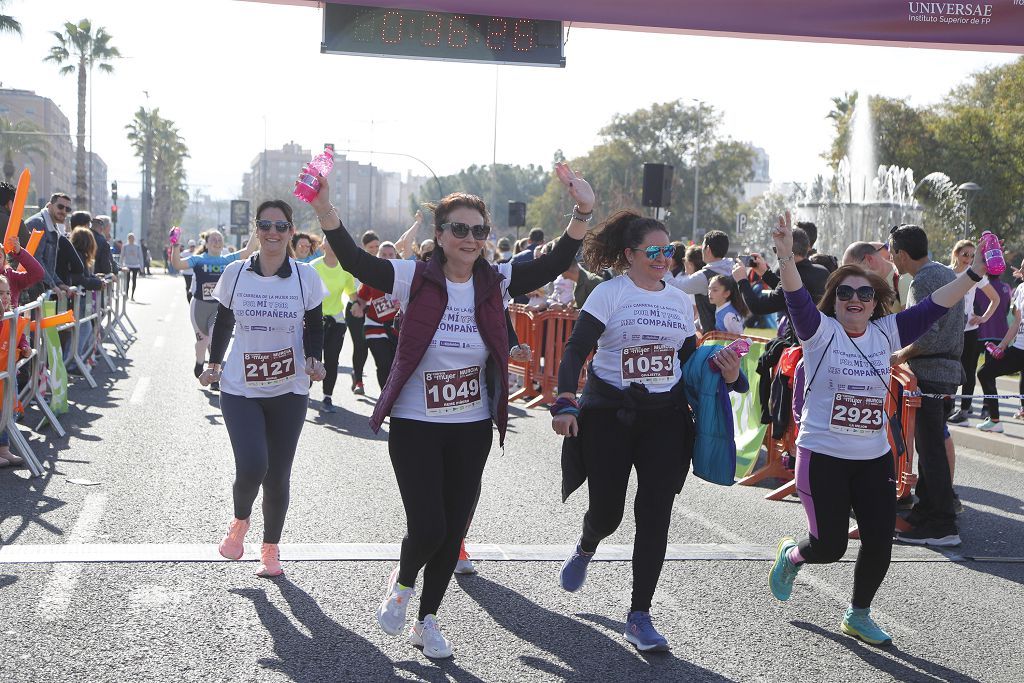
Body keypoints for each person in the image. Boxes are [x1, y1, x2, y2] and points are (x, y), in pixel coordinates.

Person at [313, 162, 594, 659]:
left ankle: (429, 620)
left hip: (471, 425)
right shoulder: (412, 276)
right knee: (429, 526)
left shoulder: (495, 279)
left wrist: (582, 211)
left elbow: (552, 262)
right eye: (459, 229)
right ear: (440, 235)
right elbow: (356, 261)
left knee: (455, 526)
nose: (470, 238)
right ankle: (401, 587)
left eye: (478, 230)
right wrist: (323, 209)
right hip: (417, 422)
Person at [767, 212, 985, 646]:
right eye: (845, 292)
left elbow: (937, 304)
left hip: (872, 456)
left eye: (865, 293)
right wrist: (785, 255)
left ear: (875, 301)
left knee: (880, 539)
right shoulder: (819, 331)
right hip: (823, 454)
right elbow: (794, 295)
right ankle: (793, 555)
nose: (855, 299)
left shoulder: (888, 331)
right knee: (829, 546)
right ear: (834, 300)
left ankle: (858, 613)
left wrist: (973, 274)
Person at [551, 210, 746, 653]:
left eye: (670, 251)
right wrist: (564, 400)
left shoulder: (679, 300)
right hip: (610, 415)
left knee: (655, 515)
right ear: (629, 254)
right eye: (654, 251)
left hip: (664, 418)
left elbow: (691, 362)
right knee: (608, 514)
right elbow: (576, 348)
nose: (664, 259)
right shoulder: (608, 293)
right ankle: (587, 544)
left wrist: (729, 373)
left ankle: (640, 615)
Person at [201, 199, 328, 578]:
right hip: (240, 386)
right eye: (266, 225)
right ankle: (240, 521)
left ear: (292, 231)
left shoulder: (305, 277)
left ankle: (270, 549)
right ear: (256, 230)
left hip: (290, 387)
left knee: (277, 475)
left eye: (281, 226)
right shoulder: (237, 273)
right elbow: (223, 323)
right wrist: (213, 364)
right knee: (254, 464)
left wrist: (314, 359)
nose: (273, 232)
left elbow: (315, 325)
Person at [884, 225, 966, 547]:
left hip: (931, 373)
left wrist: (897, 356)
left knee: (930, 451)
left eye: (892, 253)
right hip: (947, 372)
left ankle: (942, 526)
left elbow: (926, 334)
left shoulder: (922, 279)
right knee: (931, 447)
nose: (892, 260)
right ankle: (927, 512)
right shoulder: (945, 273)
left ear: (902, 254)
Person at [171, 229, 258, 381]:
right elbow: (177, 264)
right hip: (199, 306)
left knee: (213, 337)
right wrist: (175, 245)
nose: (217, 242)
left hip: (218, 308)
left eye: (219, 240)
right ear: (206, 243)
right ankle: (199, 362)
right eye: (213, 240)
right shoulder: (198, 260)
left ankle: (213, 373)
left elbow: (249, 250)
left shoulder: (227, 260)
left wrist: (257, 228)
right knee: (202, 341)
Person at [732, 227, 830, 326]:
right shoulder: (823, 271)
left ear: (786, 251)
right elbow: (788, 293)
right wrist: (765, 273)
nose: (776, 254)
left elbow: (757, 307)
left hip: (803, 339)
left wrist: (742, 280)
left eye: (776, 249)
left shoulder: (792, 278)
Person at [946, 240, 999, 424]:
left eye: (971, 255)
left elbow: (995, 299)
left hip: (969, 331)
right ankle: (948, 406)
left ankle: (965, 410)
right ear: (956, 254)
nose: (968, 259)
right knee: (950, 368)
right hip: (949, 330)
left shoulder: (977, 275)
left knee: (968, 371)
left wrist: (983, 318)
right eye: (964, 254)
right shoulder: (947, 273)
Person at [976, 260, 1024, 431]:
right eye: (1023, 266)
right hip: (1019, 348)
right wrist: (1002, 346)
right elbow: (1016, 323)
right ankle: (995, 420)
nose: (1022, 269)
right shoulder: (1020, 290)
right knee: (984, 373)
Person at [311, 236, 356, 413]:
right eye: (328, 240)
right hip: (314, 321)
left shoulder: (346, 270)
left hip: (336, 321)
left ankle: (327, 397)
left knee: (331, 360)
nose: (333, 243)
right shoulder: (313, 267)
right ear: (322, 245)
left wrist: (360, 304)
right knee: (311, 358)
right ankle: (302, 391)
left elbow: (352, 295)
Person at [666, 230, 735, 332]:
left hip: (714, 337)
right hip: (733, 331)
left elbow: (675, 286)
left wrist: (663, 265)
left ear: (707, 249)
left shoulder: (704, 276)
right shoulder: (734, 269)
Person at [355, 241, 401, 391]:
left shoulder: (403, 274)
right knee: (383, 363)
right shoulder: (371, 274)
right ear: (378, 256)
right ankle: (385, 398)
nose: (387, 258)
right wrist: (358, 306)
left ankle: (396, 397)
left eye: (390, 254)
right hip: (374, 324)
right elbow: (362, 298)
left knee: (397, 363)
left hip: (397, 326)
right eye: (383, 254)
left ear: (396, 256)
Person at [0, 272, 33, 468]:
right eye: (0, 293)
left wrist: (25, 346)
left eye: (6, 293)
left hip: (6, 375)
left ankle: (4, 449)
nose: (4, 297)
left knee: (6, 412)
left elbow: (18, 335)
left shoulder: (12, 315)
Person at [346, 230, 380, 395]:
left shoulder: (383, 263)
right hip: (356, 309)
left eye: (376, 246)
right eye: (371, 247)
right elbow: (351, 287)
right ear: (364, 247)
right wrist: (356, 304)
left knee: (373, 346)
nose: (374, 249)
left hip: (375, 312)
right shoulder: (357, 262)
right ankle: (359, 380)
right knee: (360, 346)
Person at [24, 192, 74, 300]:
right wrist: (53, 285)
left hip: (39, 287)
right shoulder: (39, 223)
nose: (64, 211)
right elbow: (36, 260)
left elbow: (49, 265)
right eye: (60, 207)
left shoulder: (51, 225)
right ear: (50, 206)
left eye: (67, 209)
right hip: (30, 288)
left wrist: (59, 283)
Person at [121, 233, 144, 300]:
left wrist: (141, 267)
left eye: (133, 238)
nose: (131, 239)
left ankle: (132, 295)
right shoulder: (125, 246)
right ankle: (126, 294)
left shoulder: (137, 247)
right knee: (127, 281)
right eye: (130, 238)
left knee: (134, 281)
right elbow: (122, 256)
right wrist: (121, 266)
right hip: (127, 265)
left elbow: (140, 257)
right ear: (128, 239)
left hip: (135, 265)